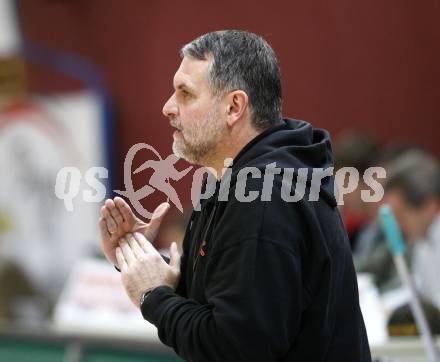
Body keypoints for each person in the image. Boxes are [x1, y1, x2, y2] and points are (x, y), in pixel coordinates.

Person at [99, 30, 371, 361]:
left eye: (185, 94)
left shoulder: (264, 198)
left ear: (234, 107)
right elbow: (232, 296)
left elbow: (234, 347)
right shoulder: (239, 183)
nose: (168, 107)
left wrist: (154, 297)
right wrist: (140, 261)